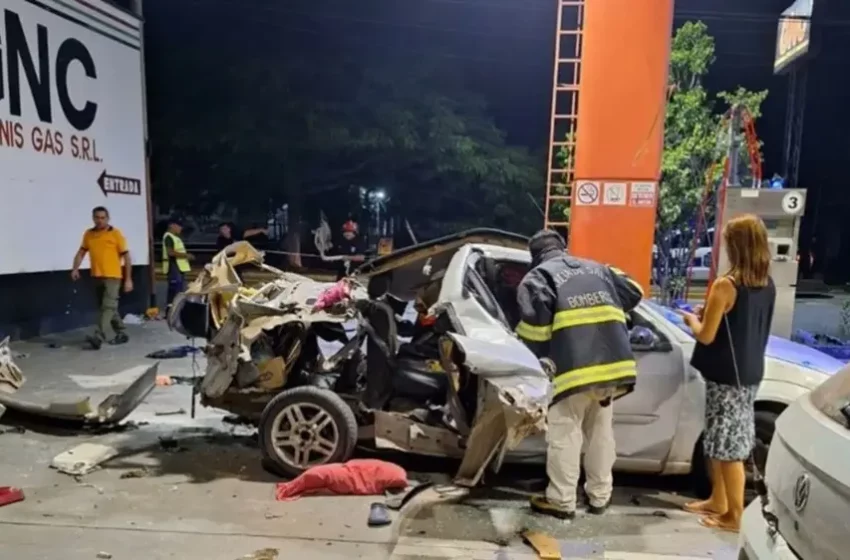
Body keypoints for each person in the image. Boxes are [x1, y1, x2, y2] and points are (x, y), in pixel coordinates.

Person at [516, 230, 643, 520]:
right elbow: (634, 290)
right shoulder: (598, 269)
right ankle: (600, 496)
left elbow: (533, 335)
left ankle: (561, 501)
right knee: (600, 432)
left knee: (565, 433)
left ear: (534, 257)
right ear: (564, 248)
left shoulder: (538, 278)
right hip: (613, 368)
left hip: (572, 371)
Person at [681, 214, 775, 533]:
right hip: (748, 374)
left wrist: (692, 321)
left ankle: (734, 516)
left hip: (726, 378)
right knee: (720, 441)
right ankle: (718, 501)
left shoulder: (726, 284)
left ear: (736, 246)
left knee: (729, 448)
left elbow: (706, 335)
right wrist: (710, 314)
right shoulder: (766, 284)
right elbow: (737, 325)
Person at [71, 206, 133, 349]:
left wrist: (128, 279)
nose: (100, 220)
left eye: (103, 218)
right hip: (97, 276)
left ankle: (98, 336)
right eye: (97, 217)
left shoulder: (115, 234)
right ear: (93, 218)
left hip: (113, 276)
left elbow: (127, 257)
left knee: (107, 307)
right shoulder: (89, 234)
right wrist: (75, 268)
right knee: (108, 307)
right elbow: (81, 252)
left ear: (108, 218)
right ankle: (121, 331)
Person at [162, 217, 193, 312]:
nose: (180, 229)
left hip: (179, 268)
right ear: (172, 225)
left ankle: (177, 310)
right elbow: (170, 252)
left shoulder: (176, 238)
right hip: (173, 267)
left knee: (179, 290)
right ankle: (171, 311)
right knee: (174, 290)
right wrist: (186, 255)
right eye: (179, 226)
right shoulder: (168, 237)